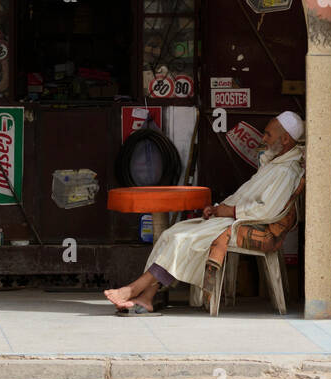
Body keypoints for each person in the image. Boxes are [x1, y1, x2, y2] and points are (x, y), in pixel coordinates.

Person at [104, 111, 305, 314]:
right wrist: (219, 209)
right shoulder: (273, 164)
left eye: (268, 134)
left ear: (285, 139)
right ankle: (147, 297)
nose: (263, 139)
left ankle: (132, 289)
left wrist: (230, 212)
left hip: (248, 223)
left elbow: (266, 210)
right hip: (233, 218)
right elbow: (245, 197)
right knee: (170, 234)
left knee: (182, 238)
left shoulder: (286, 171)